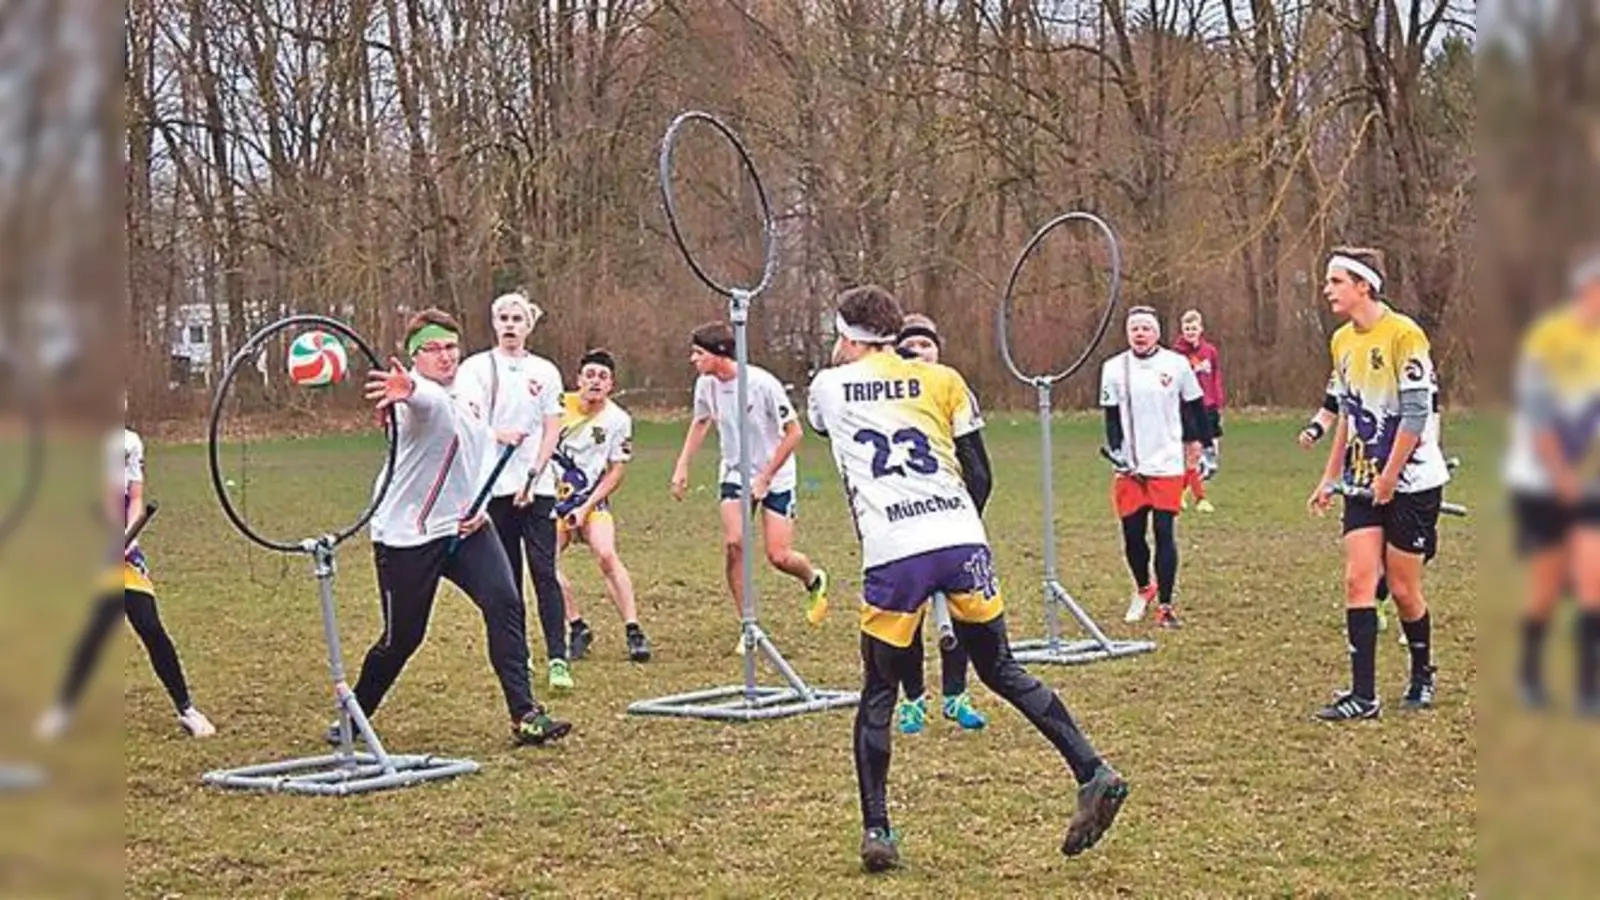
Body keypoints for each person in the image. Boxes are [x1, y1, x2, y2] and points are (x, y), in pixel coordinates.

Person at [807, 285, 1128, 873]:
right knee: (1000, 667)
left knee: (879, 688)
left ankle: (877, 828)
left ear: (848, 337)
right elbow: (978, 470)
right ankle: (1091, 769)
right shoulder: (945, 379)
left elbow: (829, 426)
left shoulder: (828, 386)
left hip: (894, 551)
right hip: (960, 537)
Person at [346, 309, 570, 746]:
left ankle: (524, 714)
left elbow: (476, 447)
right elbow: (427, 406)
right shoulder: (412, 401)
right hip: (408, 536)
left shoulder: (466, 389)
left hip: (465, 528)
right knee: (402, 638)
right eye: (432, 349)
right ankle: (355, 714)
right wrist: (409, 388)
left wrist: (481, 505)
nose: (445, 356)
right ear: (415, 356)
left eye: (451, 347)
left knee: (505, 601)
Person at [1306, 247, 1450, 721]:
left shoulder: (1405, 335)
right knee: (1358, 577)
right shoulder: (1342, 341)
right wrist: (1330, 477)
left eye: (1335, 281)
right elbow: (1347, 414)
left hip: (1411, 483)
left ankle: (1421, 672)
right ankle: (1363, 695)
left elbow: (1415, 413)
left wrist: (1389, 478)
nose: (1327, 290)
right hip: (1363, 482)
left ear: (1363, 286)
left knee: (1406, 590)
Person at [37, 403, 216, 740]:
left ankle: (186, 708)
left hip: (123, 551)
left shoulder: (129, 443)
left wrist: (126, 537)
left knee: (149, 624)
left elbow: (135, 498)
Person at [670, 321, 829, 650]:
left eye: (698, 353)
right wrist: (683, 464)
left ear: (720, 354)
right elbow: (700, 422)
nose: (692, 359)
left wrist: (766, 477)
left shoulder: (761, 384)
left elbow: (794, 432)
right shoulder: (706, 385)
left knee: (779, 556)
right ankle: (748, 624)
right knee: (734, 543)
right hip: (734, 473)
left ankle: (813, 579)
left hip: (776, 474)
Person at [456, 291, 573, 690]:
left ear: (529, 325)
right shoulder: (475, 368)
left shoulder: (545, 371)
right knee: (507, 578)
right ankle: (518, 654)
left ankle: (558, 656)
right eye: (503, 318)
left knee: (545, 571)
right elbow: (464, 420)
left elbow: (552, 427)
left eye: (517, 319)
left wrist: (535, 474)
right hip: (493, 488)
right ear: (494, 323)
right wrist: (494, 435)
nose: (509, 325)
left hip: (534, 489)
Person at [1504, 249, 1600, 713]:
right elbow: (1539, 422)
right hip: (1542, 483)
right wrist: (1562, 478)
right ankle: (1529, 671)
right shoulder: (1549, 340)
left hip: (1590, 486)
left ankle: (1587, 687)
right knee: (1546, 585)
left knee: (1592, 580)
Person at [890, 313, 986, 733]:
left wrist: (964, 517)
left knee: (962, 612)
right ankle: (912, 700)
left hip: (952, 523)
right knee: (906, 618)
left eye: (926, 345)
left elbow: (978, 466)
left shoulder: (953, 389)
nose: (919, 353)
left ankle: (956, 695)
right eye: (909, 347)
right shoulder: (886, 397)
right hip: (903, 525)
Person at [1101, 307, 1213, 628]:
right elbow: (1111, 416)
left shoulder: (1176, 365)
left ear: (1157, 333)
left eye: (1146, 328)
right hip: (1130, 468)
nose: (1139, 333)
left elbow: (1194, 407)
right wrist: (1119, 453)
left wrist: (1201, 446)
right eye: (1134, 327)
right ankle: (1143, 588)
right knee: (1133, 536)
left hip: (1166, 464)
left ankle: (1165, 604)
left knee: (1164, 532)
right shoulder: (1113, 369)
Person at [553, 348, 651, 664]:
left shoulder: (618, 420)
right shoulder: (556, 406)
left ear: (611, 385)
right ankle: (577, 625)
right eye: (590, 375)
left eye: (603, 377)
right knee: (544, 565)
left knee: (607, 555)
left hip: (592, 502)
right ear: (578, 379)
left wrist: (585, 507)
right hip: (554, 503)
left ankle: (633, 629)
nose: (595, 381)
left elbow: (616, 471)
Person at [1173, 309, 1222, 513]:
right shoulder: (1176, 355)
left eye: (1194, 328)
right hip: (1189, 410)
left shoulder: (1209, 351)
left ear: (1200, 329)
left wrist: (1218, 402)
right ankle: (1200, 498)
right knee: (1194, 455)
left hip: (1209, 408)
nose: (1190, 332)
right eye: (1187, 328)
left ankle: (1177, 494)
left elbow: (1216, 377)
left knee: (1210, 457)